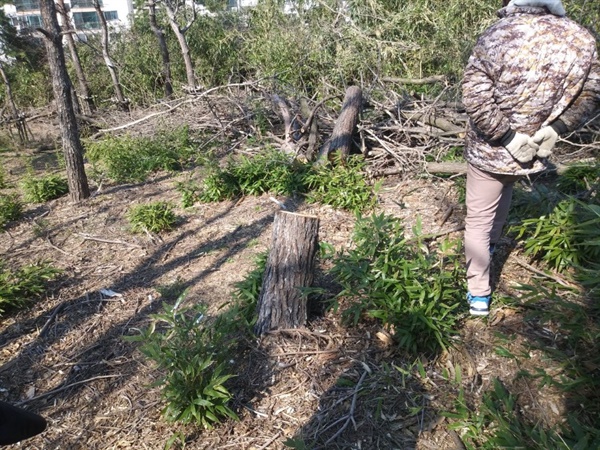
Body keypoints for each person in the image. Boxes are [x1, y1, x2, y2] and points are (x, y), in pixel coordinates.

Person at [461, 0, 600, 316]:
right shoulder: (581, 38)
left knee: (479, 220)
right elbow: (591, 94)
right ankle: (492, 247)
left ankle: (478, 297)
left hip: (490, 149)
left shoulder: (500, 33)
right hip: (534, 151)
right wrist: (556, 129)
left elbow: (474, 96)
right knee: (505, 190)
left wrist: (508, 137)